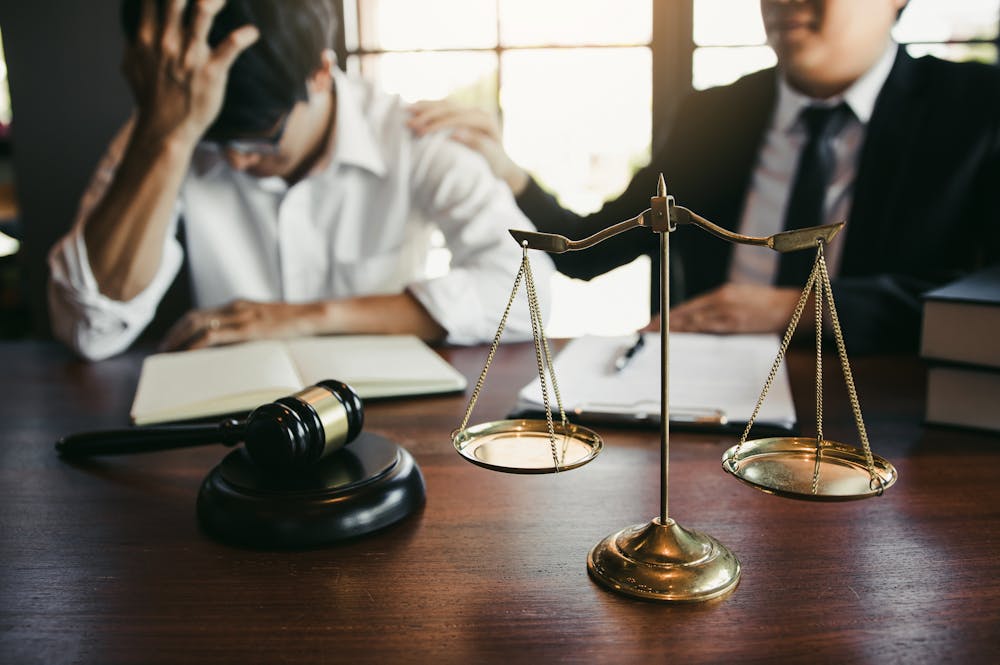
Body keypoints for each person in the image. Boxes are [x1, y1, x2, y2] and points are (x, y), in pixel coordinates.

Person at [408, 0, 1000, 353]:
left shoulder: (977, 112)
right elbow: (586, 252)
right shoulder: (713, 115)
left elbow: (983, 305)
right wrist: (510, 174)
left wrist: (801, 307)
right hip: (708, 409)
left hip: (887, 406)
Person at [48, 0, 553, 361]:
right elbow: (91, 330)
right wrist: (169, 138)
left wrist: (302, 317)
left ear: (320, 73)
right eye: (215, 144)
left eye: (259, 141)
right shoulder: (163, 132)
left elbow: (529, 293)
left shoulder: (413, 137)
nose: (235, 162)